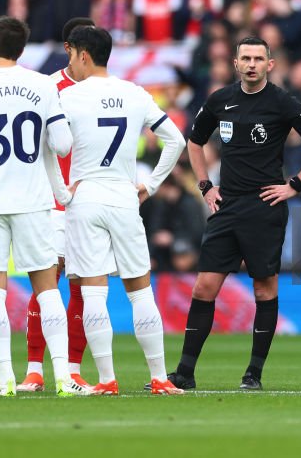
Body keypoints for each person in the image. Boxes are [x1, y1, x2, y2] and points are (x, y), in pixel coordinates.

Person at [171, 36, 301, 391]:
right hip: (226, 205)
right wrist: (205, 186)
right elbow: (194, 141)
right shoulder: (220, 100)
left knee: (264, 289)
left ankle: (254, 374)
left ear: (270, 64)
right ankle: (184, 373)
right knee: (203, 288)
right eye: (245, 58)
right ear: (235, 62)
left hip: (265, 207)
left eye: (258, 59)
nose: (251, 64)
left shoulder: (281, 101)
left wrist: (296, 185)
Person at [0, 16, 86, 398]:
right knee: (46, 290)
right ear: (22, 50)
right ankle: (62, 378)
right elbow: (61, 145)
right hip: (33, 201)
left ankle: (6, 380)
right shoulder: (43, 85)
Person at [57, 25, 187, 396]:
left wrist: (61, 192)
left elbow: (54, 147)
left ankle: (107, 380)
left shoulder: (70, 97)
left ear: (82, 55)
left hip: (86, 198)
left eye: (72, 56)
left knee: (94, 292)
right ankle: (160, 378)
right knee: (140, 290)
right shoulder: (134, 93)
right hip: (124, 197)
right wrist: (152, 184)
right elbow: (174, 140)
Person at [21, 16, 94, 393]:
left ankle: (74, 369)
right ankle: (34, 370)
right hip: (50, 203)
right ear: (70, 50)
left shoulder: (106, 90)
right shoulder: (46, 89)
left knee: (83, 288)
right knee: (44, 286)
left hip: (90, 205)